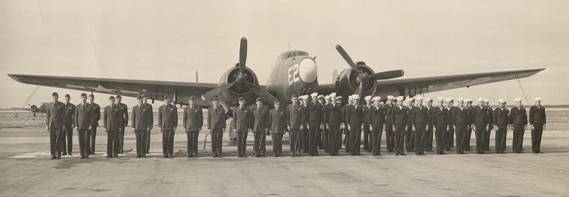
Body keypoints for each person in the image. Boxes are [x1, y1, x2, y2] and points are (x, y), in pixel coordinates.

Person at [46, 92, 65, 159]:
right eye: (54, 97)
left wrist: (63, 125)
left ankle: (58, 154)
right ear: (52, 97)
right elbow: (48, 115)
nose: (55, 98)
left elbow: (63, 115)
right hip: (52, 125)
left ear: (58, 97)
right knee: (52, 140)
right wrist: (47, 125)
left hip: (59, 125)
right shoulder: (49, 105)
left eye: (56, 97)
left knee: (58, 140)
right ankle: (53, 154)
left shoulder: (62, 105)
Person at [75, 93, 92, 159]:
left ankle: (87, 154)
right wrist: (76, 125)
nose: (84, 99)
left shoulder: (89, 106)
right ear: (81, 98)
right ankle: (82, 154)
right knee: (81, 140)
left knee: (87, 140)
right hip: (80, 126)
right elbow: (76, 117)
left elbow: (91, 116)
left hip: (87, 126)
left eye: (85, 97)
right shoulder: (77, 106)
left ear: (86, 98)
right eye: (82, 98)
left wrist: (90, 124)